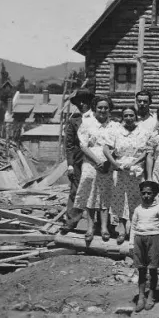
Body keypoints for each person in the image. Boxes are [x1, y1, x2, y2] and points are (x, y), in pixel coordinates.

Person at [106, 105, 152, 244]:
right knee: (120, 200)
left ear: (136, 116)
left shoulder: (143, 131)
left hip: (136, 170)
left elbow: (146, 150)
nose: (128, 118)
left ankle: (134, 231)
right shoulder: (116, 131)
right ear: (122, 117)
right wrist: (115, 164)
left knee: (135, 199)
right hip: (120, 170)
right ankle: (121, 231)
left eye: (131, 115)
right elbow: (106, 149)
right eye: (125, 116)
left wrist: (135, 162)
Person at [61, 88, 94, 234]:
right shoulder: (74, 120)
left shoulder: (97, 118)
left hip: (95, 158)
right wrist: (69, 164)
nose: (82, 104)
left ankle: (98, 225)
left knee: (98, 191)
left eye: (85, 101)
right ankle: (71, 221)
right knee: (76, 190)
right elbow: (68, 145)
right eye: (79, 102)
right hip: (79, 159)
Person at [87, 96, 119, 243]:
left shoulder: (114, 126)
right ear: (95, 108)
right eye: (100, 107)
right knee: (91, 195)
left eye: (106, 108)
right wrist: (96, 160)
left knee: (105, 194)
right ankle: (90, 227)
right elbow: (82, 145)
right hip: (91, 162)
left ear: (109, 110)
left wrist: (106, 162)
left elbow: (116, 145)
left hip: (107, 163)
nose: (103, 110)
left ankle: (104, 227)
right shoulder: (87, 124)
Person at [130, 180, 159, 312]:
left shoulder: (158, 208)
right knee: (141, 269)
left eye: (149, 193)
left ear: (154, 194)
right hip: (139, 239)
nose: (146, 196)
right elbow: (133, 227)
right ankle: (141, 297)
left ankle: (151, 296)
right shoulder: (138, 209)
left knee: (153, 269)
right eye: (143, 193)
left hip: (153, 238)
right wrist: (131, 244)